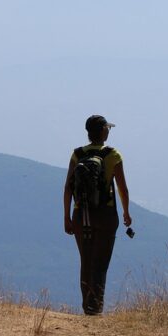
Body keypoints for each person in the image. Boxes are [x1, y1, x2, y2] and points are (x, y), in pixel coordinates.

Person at [63, 114, 131, 315]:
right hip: (105, 215)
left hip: (80, 214)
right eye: (107, 128)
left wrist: (66, 216)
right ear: (102, 131)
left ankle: (87, 306)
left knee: (86, 260)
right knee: (100, 263)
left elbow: (68, 187)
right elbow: (122, 189)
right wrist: (126, 212)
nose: (109, 131)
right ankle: (95, 308)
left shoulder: (77, 154)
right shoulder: (113, 154)